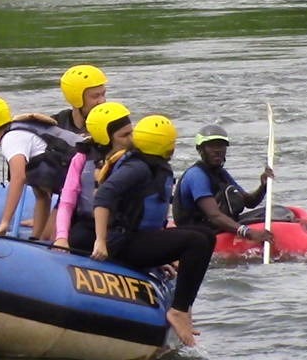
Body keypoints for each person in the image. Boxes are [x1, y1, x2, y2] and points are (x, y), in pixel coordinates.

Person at [91, 115, 215, 346]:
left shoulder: (154, 166)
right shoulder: (137, 168)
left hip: (139, 239)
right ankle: (178, 311)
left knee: (205, 235)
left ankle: (183, 307)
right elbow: (103, 196)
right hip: (122, 243)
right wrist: (100, 241)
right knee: (195, 242)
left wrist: (160, 255)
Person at [0, 95, 85, 240]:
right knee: (43, 238)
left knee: (51, 239)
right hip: (77, 182)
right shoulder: (24, 130)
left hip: (81, 183)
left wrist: (4, 223)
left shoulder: (11, 139)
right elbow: (43, 196)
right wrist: (35, 239)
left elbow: (19, 177)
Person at [173, 124, 275, 244]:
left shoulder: (221, 173)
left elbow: (249, 202)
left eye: (221, 146)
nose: (217, 150)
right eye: (211, 146)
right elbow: (214, 216)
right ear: (200, 149)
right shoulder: (196, 176)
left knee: (276, 212)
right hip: (198, 233)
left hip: (215, 226)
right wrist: (248, 233)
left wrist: (263, 186)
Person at [53, 101, 135, 252]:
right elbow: (67, 202)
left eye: (131, 132)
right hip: (88, 227)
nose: (132, 139)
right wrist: (62, 237)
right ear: (106, 138)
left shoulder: (136, 160)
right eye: (124, 135)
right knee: (78, 238)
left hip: (124, 230)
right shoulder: (82, 158)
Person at [52, 64, 109, 135]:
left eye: (103, 94)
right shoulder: (55, 125)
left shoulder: (114, 125)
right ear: (76, 99)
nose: (102, 101)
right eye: (95, 96)